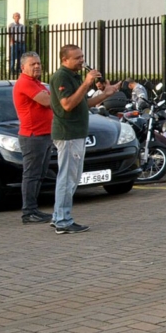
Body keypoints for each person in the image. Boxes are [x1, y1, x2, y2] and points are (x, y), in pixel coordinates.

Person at [49, 44, 122, 233]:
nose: (82, 61)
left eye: (82, 56)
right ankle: (63, 221)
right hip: (68, 134)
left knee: (69, 176)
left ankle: (59, 216)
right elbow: (67, 105)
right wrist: (86, 83)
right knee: (68, 178)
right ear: (64, 60)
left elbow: (83, 104)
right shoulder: (61, 76)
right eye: (77, 58)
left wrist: (105, 94)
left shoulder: (73, 76)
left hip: (76, 133)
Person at [12, 52, 53, 224]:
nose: (37, 66)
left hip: (44, 134)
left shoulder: (37, 83)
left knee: (40, 173)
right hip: (33, 136)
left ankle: (33, 209)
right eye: (32, 64)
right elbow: (46, 101)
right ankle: (28, 212)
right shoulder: (25, 83)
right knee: (32, 175)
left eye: (38, 63)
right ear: (23, 67)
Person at [8, 12, 26, 76]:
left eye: (18, 16)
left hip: (21, 43)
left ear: (20, 17)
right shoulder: (11, 25)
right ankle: (12, 70)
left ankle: (19, 69)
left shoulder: (22, 26)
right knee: (13, 57)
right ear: (13, 18)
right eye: (16, 16)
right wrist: (11, 41)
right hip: (15, 42)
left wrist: (24, 41)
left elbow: (24, 34)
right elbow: (10, 34)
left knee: (21, 57)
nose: (17, 17)